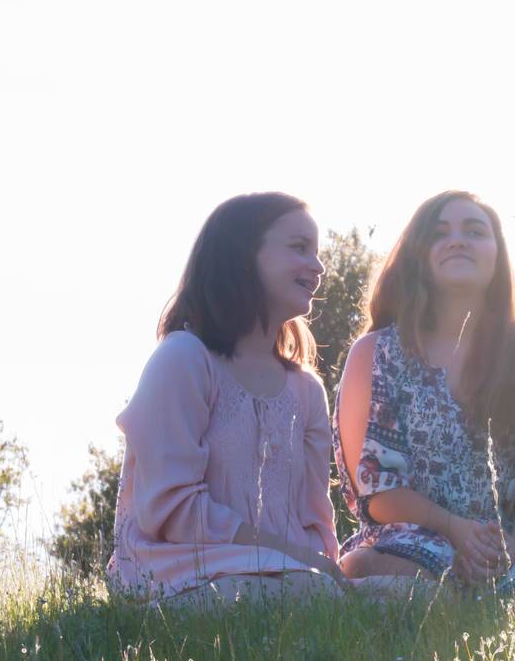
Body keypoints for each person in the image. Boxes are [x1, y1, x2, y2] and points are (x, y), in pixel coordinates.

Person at [335, 191, 515, 594]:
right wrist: (454, 529)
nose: (458, 240)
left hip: (509, 551)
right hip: (407, 546)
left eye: (475, 230)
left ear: (498, 253)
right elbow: (377, 492)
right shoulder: (375, 353)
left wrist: (509, 550)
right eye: (439, 233)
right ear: (418, 256)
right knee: (405, 585)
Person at [109, 192, 342, 604]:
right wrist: (283, 555)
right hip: (178, 577)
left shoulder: (307, 390)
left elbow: (315, 520)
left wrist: (317, 563)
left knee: (410, 594)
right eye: (299, 248)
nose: (318, 266)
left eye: (317, 252)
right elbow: (170, 510)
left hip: (288, 577)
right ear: (244, 255)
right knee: (311, 592)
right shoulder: (183, 360)